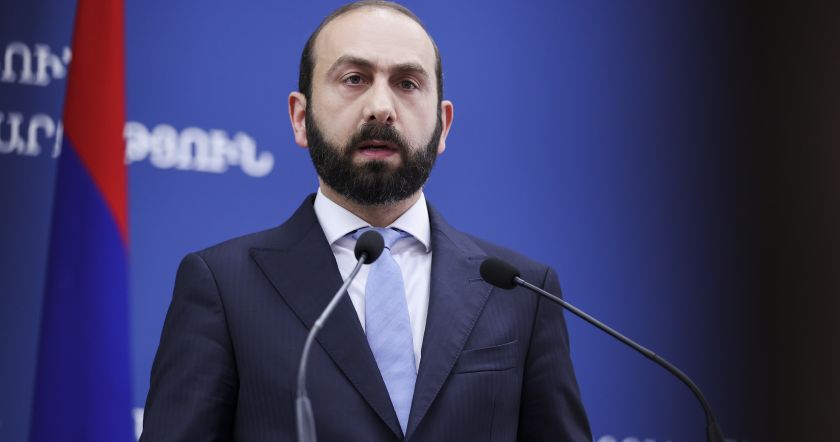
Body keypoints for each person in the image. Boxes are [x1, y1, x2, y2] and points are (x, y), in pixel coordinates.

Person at [139, 1, 591, 441]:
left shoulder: (521, 292)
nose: (380, 107)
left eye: (407, 83)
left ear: (443, 126)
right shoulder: (223, 285)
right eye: (354, 79)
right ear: (300, 117)